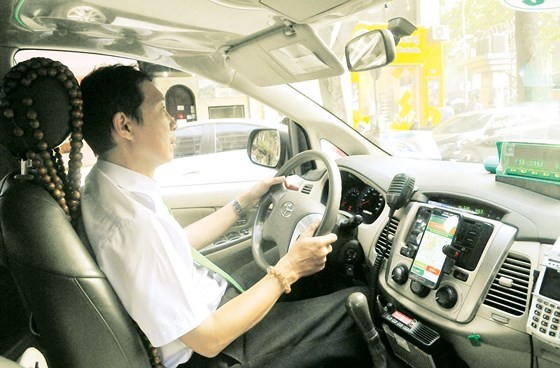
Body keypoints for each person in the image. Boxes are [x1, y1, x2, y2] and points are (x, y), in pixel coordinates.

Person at [79, 64, 371, 368]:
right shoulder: (134, 226)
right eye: (161, 110)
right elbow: (208, 340)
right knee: (357, 307)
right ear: (125, 126)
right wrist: (291, 267)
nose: (173, 122)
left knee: (313, 251)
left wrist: (244, 201)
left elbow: (175, 243)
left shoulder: (108, 186)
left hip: (209, 301)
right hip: (218, 350)